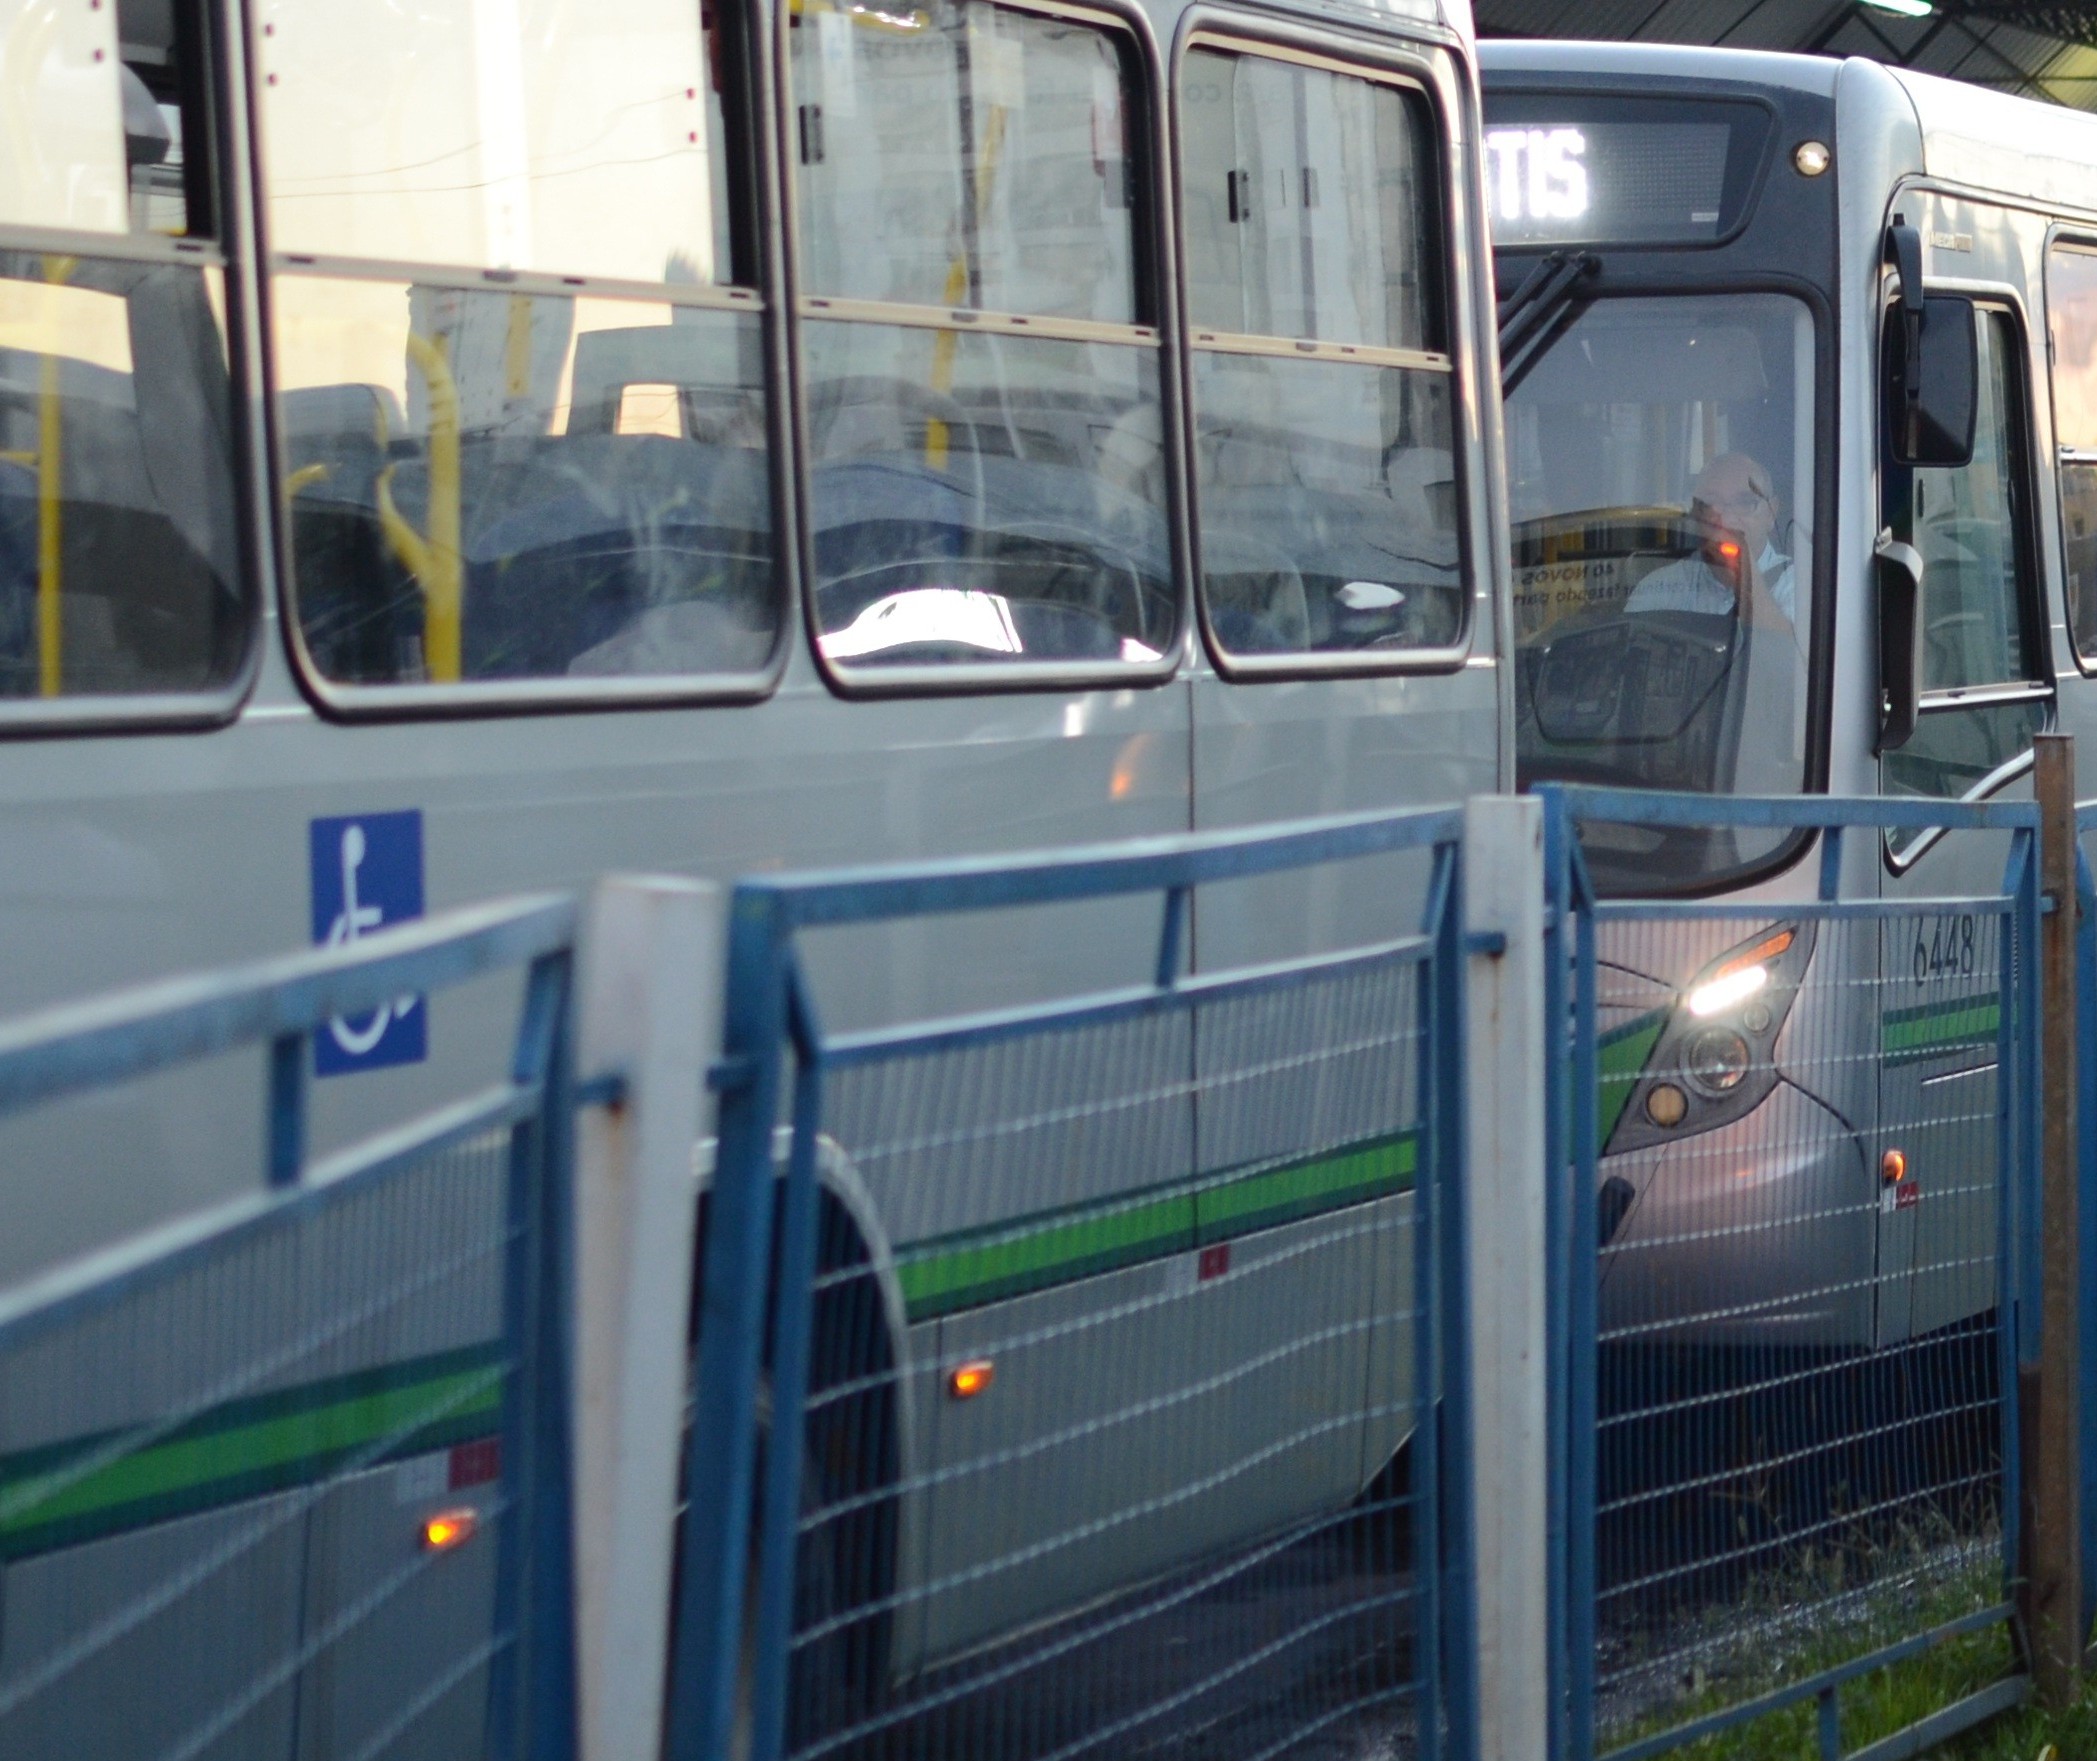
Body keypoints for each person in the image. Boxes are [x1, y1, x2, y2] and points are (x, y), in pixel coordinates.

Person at [1625, 452, 1796, 632]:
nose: (1727, 520)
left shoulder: (1801, 587)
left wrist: (1747, 577)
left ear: (1771, 513)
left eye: (1745, 502)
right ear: (1696, 515)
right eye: (1711, 503)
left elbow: (1790, 654)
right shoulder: (1661, 587)